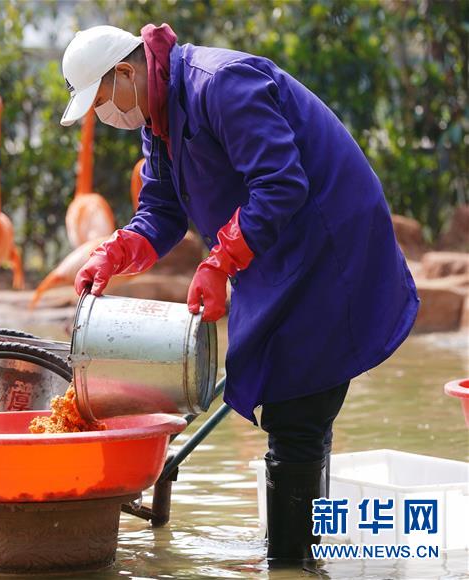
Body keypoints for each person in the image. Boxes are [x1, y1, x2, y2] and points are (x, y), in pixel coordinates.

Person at [61, 24, 418, 567]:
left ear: (127, 73)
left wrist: (219, 262)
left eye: (102, 101)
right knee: (293, 409)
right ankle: (298, 557)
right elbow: (161, 210)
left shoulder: (222, 85)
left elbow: (281, 184)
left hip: (328, 246)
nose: (105, 115)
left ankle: (291, 564)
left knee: (296, 407)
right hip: (277, 254)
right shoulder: (159, 119)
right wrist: (114, 252)